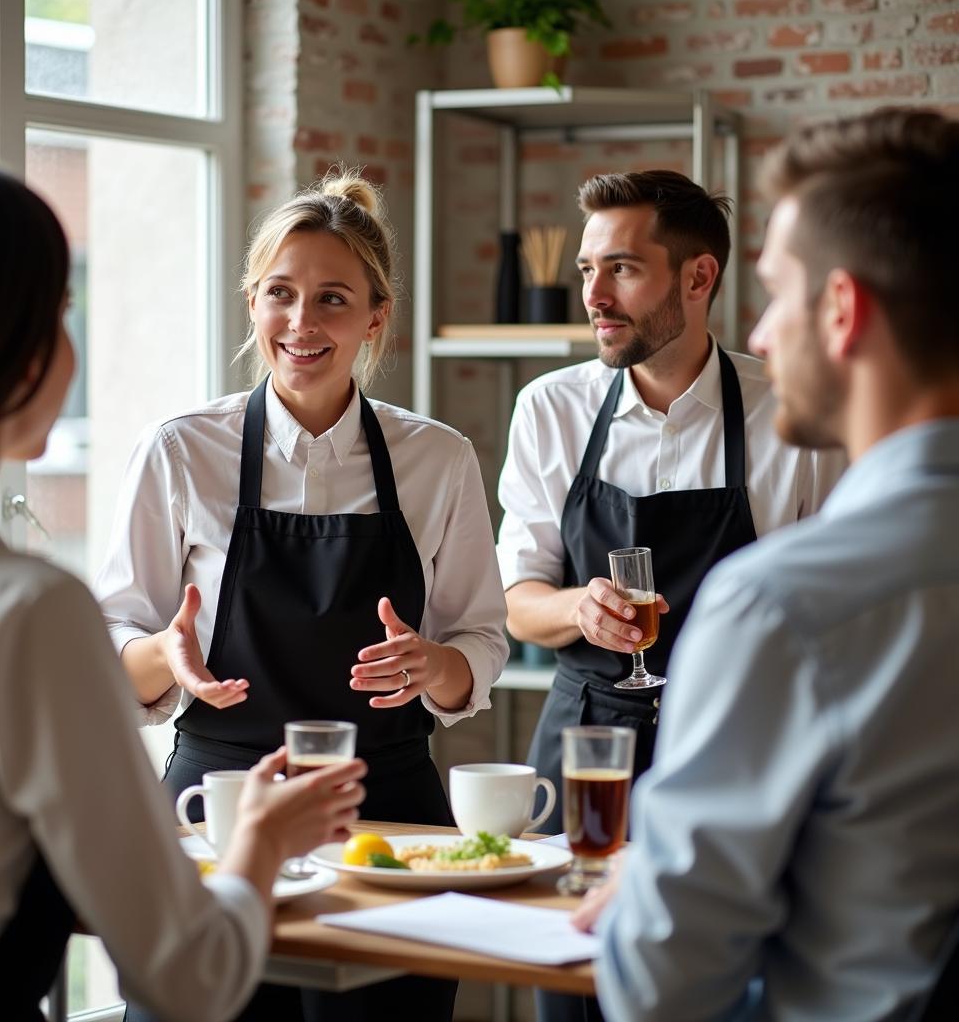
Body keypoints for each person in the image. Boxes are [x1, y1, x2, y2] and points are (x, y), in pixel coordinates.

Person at [0, 154, 367, 1021]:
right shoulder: (18, 611)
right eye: (60, 312)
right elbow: (188, 976)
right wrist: (260, 842)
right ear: (20, 357)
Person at [95, 169, 508, 1021]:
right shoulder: (179, 451)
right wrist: (162, 657)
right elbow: (118, 644)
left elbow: (484, 641)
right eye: (280, 294)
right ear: (252, 302)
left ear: (375, 317)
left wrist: (437, 664)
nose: (302, 322)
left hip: (387, 820)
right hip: (221, 806)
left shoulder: (437, 458)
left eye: (332, 298)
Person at [575, 106, 959, 1020]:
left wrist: (646, 896)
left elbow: (660, 989)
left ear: (841, 311)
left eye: (778, 294)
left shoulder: (781, 607)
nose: (768, 334)